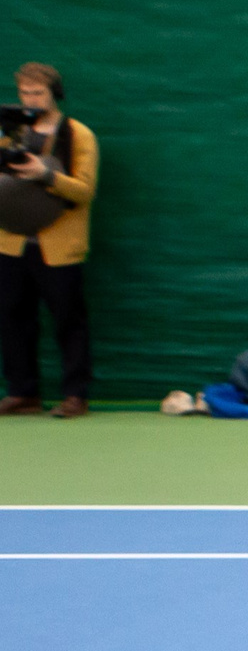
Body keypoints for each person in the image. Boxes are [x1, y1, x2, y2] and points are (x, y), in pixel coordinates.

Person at [0, 63, 101, 419]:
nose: (30, 99)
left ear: (54, 93)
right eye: (25, 93)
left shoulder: (78, 135)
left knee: (68, 320)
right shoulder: (11, 131)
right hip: (11, 242)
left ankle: (76, 395)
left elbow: (85, 190)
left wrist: (45, 174)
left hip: (58, 246)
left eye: (38, 92)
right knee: (13, 318)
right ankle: (23, 393)